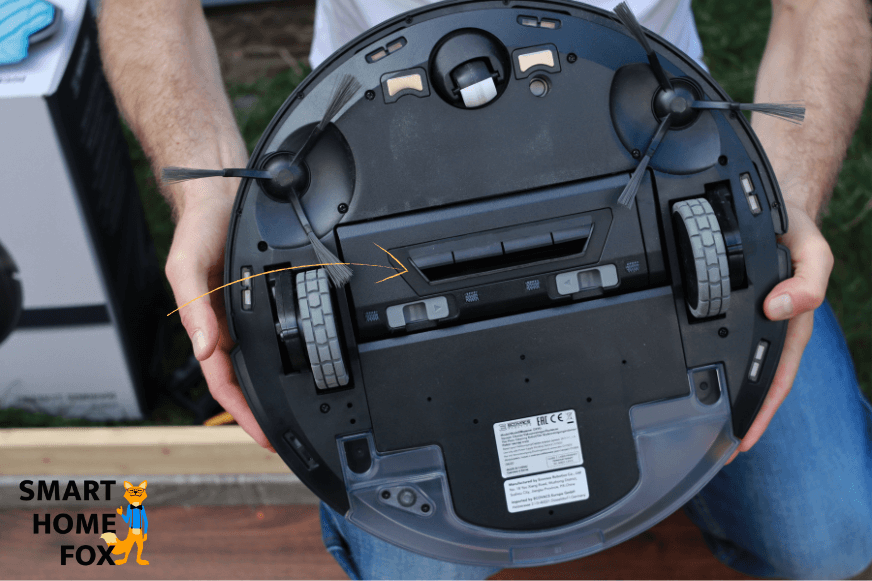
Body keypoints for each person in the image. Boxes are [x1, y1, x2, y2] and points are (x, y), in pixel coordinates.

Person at [97, 0, 872, 578]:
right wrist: (203, 189)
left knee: (833, 531)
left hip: (650, 161)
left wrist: (783, 200)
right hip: (373, 162)